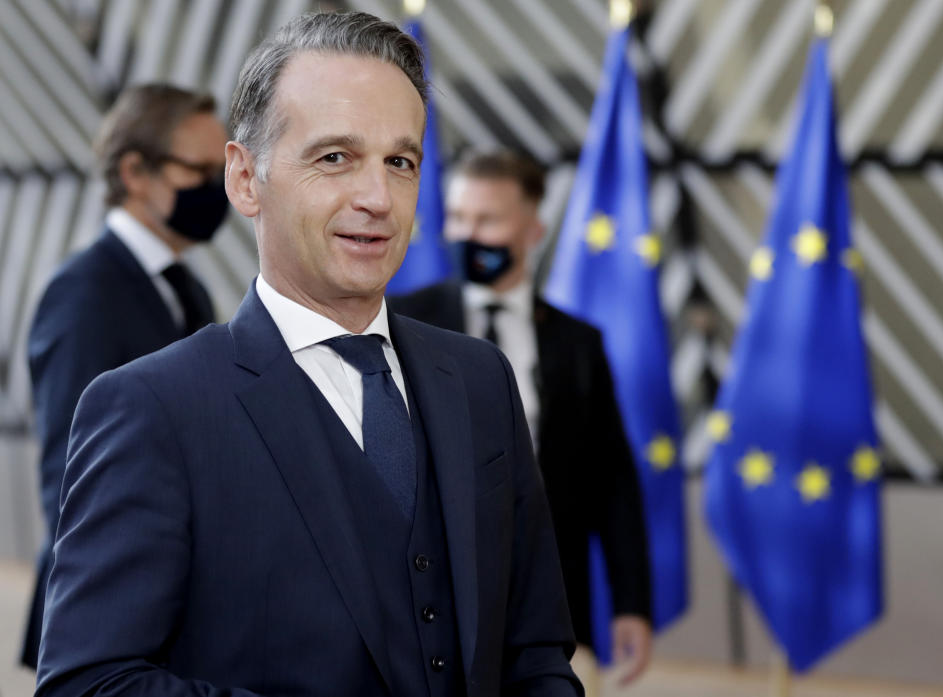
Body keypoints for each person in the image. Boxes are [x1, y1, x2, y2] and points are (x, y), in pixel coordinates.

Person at [36, 11, 582, 697]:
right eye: (335, 158)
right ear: (243, 179)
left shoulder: (478, 378)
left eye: (400, 162)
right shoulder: (152, 410)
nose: (377, 198)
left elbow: (535, 653)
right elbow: (89, 682)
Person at [390, 150, 653, 691]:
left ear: (532, 228)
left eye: (487, 220)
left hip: (551, 609)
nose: (469, 235)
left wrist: (632, 603)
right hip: (428, 611)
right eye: (459, 218)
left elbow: (612, 479)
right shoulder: (399, 321)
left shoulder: (578, 344)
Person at [21, 83, 228, 670]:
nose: (218, 189)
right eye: (200, 169)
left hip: (174, 602)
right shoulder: (84, 293)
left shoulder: (185, 285)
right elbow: (72, 473)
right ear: (135, 171)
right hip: (117, 609)